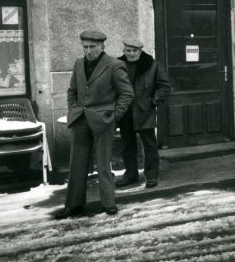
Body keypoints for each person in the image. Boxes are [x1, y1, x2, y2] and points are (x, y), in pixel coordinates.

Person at [57, 30, 133, 218]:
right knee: (77, 164)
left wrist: (114, 117)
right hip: (80, 120)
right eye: (85, 47)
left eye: (92, 47)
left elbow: (127, 94)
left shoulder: (115, 65)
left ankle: (108, 203)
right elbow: (72, 91)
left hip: (103, 121)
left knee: (103, 163)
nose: (88, 51)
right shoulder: (78, 64)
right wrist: (72, 110)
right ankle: (73, 205)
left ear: (102, 47)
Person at [115, 38, 170, 189]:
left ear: (140, 51)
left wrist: (153, 102)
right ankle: (131, 175)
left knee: (149, 144)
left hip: (144, 111)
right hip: (125, 111)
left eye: (134, 51)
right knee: (127, 145)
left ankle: (152, 175)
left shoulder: (152, 65)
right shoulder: (117, 65)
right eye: (128, 51)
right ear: (124, 51)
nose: (131, 54)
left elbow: (164, 87)